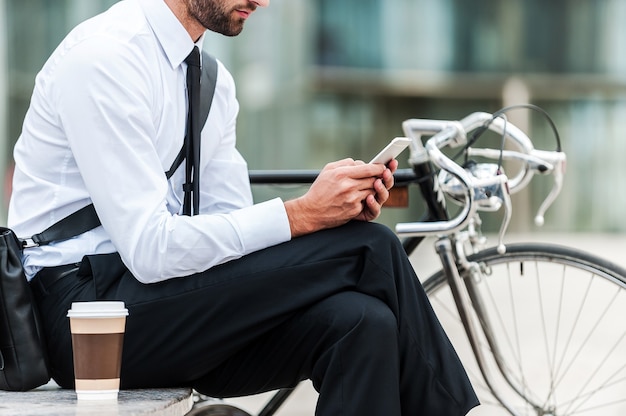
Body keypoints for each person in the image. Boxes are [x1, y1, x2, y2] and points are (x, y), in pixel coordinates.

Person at [8, 0, 479, 414]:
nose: (263, 2)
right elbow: (148, 248)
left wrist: (327, 218)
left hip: (166, 304)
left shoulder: (212, 81)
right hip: (86, 322)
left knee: (361, 321)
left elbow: (230, 231)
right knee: (370, 246)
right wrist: (303, 215)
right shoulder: (106, 57)